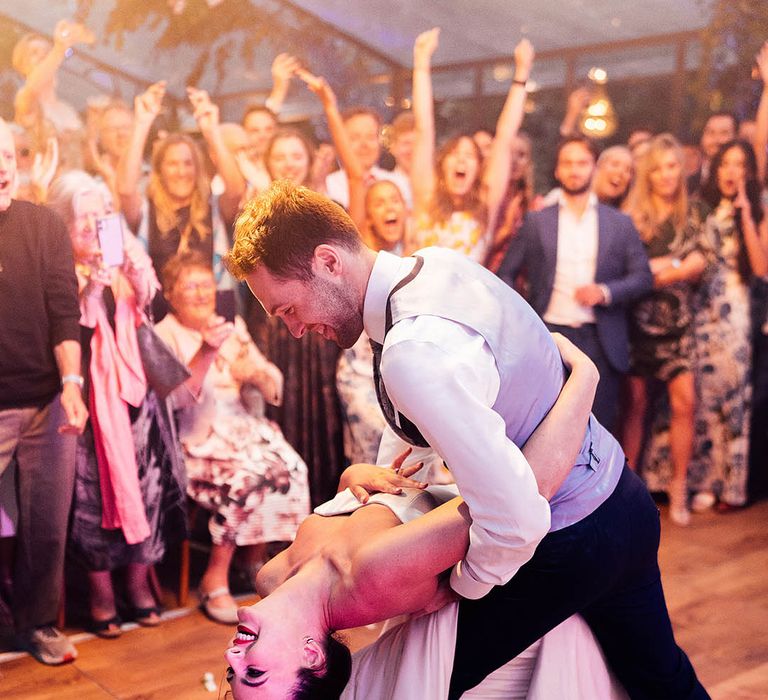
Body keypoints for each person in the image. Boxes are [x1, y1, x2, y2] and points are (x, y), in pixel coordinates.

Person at [226, 180, 707, 699]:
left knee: (411, 685)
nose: (296, 330)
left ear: (327, 262)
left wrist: (466, 586)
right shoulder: (432, 267)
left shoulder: (413, 348)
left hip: (576, 535)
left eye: (289, 310)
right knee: (664, 680)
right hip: (620, 500)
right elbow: (464, 410)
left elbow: (516, 518)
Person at [226, 333, 623, 698]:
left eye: (233, 675)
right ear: (312, 655)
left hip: (442, 461)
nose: (232, 658)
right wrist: (585, 379)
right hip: (558, 531)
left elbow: (348, 510)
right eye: (254, 672)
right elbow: (515, 499)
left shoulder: (271, 578)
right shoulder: (373, 575)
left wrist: (356, 478)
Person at [47, 171, 187, 637]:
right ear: (63, 222)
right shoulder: (56, 267)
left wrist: (131, 268)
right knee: (92, 499)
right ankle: (102, 596)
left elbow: (155, 309)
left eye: (101, 213)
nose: (92, 224)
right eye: (82, 216)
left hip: (135, 395)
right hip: (83, 402)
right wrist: (89, 287)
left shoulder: (128, 259)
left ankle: (138, 587)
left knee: (145, 492)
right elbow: (71, 338)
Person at [155, 253, 311, 624]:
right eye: (190, 286)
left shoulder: (232, 326)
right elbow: (172, 399)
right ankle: (216, 575)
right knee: (250, 478)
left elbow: (271, 376)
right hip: (197, 440)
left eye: (206, 284)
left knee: (294, 468)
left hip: (244, 433)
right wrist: (207, 352)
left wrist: (256, 375)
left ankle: (256, 562)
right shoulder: (164, 334)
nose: (201, 293)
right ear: (171, 294)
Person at [0, 118, 88, 664]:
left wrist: (72, 383)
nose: (1, 166)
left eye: (7, 155)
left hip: (47, 397)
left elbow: (64, 309)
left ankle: (36, 624)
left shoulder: (43, 225)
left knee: (45, 526)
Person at [498, 135, 653, 433]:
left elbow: (643, 277)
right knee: (541, 428)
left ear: (595, 168)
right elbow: (506, 273)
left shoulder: (619, 223)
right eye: (567, 163)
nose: (574, 170)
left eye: (582, 163)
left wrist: (606, 292)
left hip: (600, 340)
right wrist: (523, 317)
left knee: (598, 433)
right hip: (548, 336)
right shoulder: (537, 221)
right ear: (557, 170)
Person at [620, 134, 708, 526]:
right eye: (656, 168)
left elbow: (701, 265)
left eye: (671, 166)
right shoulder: (632, 215)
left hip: (680, 326)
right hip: (636, 326)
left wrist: (658, 270)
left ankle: (679, 486)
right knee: (635, 407)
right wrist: (674, 267)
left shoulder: (695, 212)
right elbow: (628, 275)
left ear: (681, 168)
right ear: (647, 174)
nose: (665, 175)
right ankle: (628, 491)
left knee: (685, 403)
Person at [688, 140, 768, 511]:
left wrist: (747, 213)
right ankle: (704, 481)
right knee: (704, 397)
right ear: (715, 168)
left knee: (734, 398)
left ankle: (730, 487)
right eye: (725, 164)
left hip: (734, 310)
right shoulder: (700, 208)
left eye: (740, 165)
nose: (732, 171)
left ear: (749, 172)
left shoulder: (758, 207)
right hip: (700, 309)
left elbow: (761, 267)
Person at [409, 29, 532, 264]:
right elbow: (424, 128)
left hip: (466, 301)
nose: (462, 160)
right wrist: (421, 63)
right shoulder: (426, 198)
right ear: (442, 165)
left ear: (479, 169)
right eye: (454, 154)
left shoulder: (485, 206)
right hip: (423, 300)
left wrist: (522, 73)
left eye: (470, 156)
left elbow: (505, 135)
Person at [117, 82, 245, 302]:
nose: (181, 171)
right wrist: (141, 124)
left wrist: (211, 131)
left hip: (212, 315)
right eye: (173, 164)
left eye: (188, 163)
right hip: (159, 316)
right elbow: (126, 190)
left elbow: (235, 191)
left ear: (198, 168)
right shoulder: (147, 210)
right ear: (159, 170)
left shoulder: (212, 207)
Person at [12, 19, 94, 173]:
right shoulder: (25, 98)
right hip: (44, 190)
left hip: (76, 189)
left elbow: (85, 160)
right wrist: (59, 48)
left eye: (47, 51)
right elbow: (33, 87)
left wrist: (94, 130)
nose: (43, 56)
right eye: (34, 53)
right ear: (22, 65)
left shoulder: (68, 109)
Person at [687, 112, 738, 195]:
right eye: (711, 132)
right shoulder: (686, 186)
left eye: (724, 133)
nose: (716, 139)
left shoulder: (744, 185)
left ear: (736, 137)